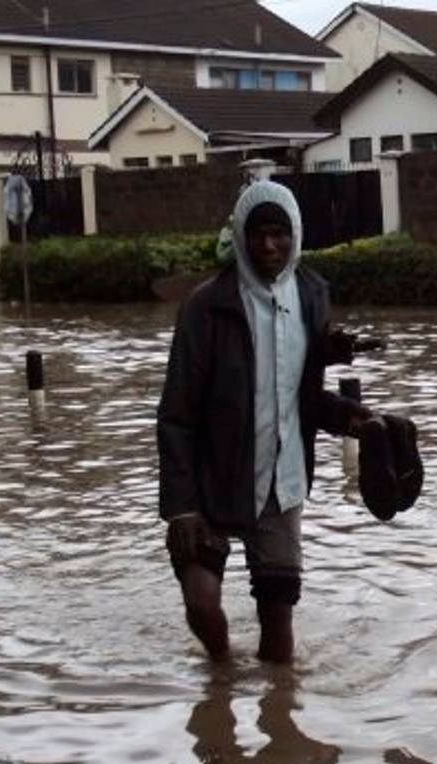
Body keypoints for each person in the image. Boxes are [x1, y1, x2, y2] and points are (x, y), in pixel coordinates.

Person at [157, 181, 368, 664]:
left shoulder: (312, 295)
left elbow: (303, 396)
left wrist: (351, 419)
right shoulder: (205, 307)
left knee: (278, 634)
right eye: (257, 234)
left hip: (280, 483)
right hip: (211, 483)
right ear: (239, 236)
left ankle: (279, 704)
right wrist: (181, 508)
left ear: (296, 235)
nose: (269, 246)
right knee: (201, 605)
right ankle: (221, 667)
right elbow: (176, 413)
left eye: (280, 234)